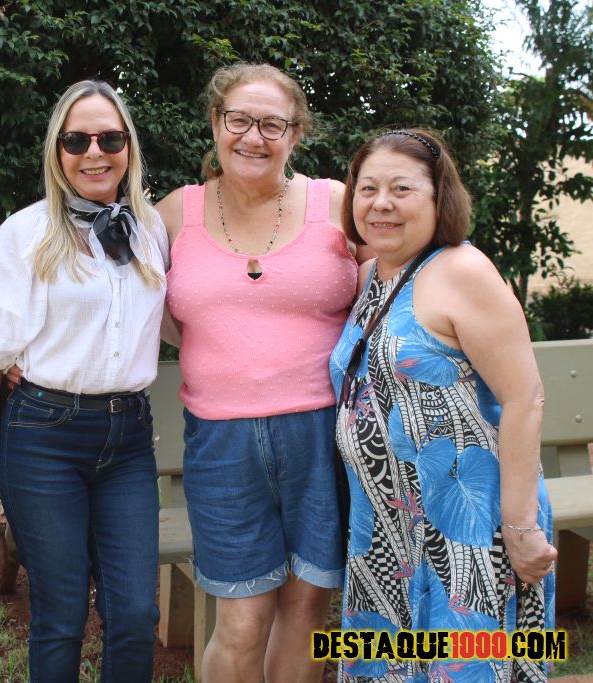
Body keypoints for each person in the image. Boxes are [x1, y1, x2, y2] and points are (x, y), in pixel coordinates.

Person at [155, 62, 360, 682]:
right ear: (215, 123)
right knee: (242, 622)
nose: (253, 136)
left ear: (296, 134)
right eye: (238, 119)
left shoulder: (337, 204)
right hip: (222, 442)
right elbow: (139, 306)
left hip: (322, 433)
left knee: (306, 611)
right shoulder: (174, 214)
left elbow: (396, 286)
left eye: (273, 124)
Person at [0, 80, 168, 682]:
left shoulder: (149, 228)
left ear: (128, 146)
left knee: (135, 613)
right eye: (77, 141)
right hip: (43, 436)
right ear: (57, 151)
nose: (94, 153)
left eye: (109, 139)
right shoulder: (26, 233)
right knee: (61, 613)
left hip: (128, 437)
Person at [330, 128, 557, 682]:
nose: (381, 203)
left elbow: (524, 398)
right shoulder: (370, 275)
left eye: (402, 189)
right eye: (367, 188)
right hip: (385, 530)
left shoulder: (461, 270)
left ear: (439, 198)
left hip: (466, 531)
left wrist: (522, 527)